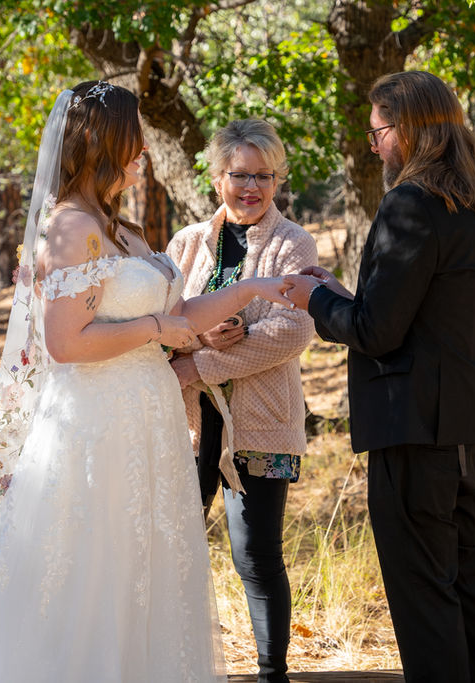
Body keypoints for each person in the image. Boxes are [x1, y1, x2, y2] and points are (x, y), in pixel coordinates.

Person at [0, 81, 292, 682]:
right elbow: (65, 341)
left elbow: (182, 314)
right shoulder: (70, 227)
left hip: (149, 421)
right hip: (96, 425)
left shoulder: (122, 228)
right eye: (135, 140)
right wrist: (156, 329)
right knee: (90, 566)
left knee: (141, 567)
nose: (144, 152)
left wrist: (256, 289)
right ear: (104, 145)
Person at [284, 71, 475, 682]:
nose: (374, 146)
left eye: (379, 132)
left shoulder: (411, 202)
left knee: (422, 584)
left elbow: (377, 331)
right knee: (465, 566)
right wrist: (339, 295)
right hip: (468, 418)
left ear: (410, 130)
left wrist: (312, 300)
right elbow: (423, 316)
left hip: (415, 423)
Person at [166, 119, 317, 683]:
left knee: (255, 556)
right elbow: (163, 323)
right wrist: (199, 337)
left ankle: (272, 674)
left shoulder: (293, 243)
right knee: (172, 550)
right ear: (217, 179)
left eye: (263, 176)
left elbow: (292, 331)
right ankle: (174, 667)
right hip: (186, 423)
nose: (251, 187)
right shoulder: (186, 244)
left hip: (262, 423)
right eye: (240, 175)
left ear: (277, 180)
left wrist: (199, 363)